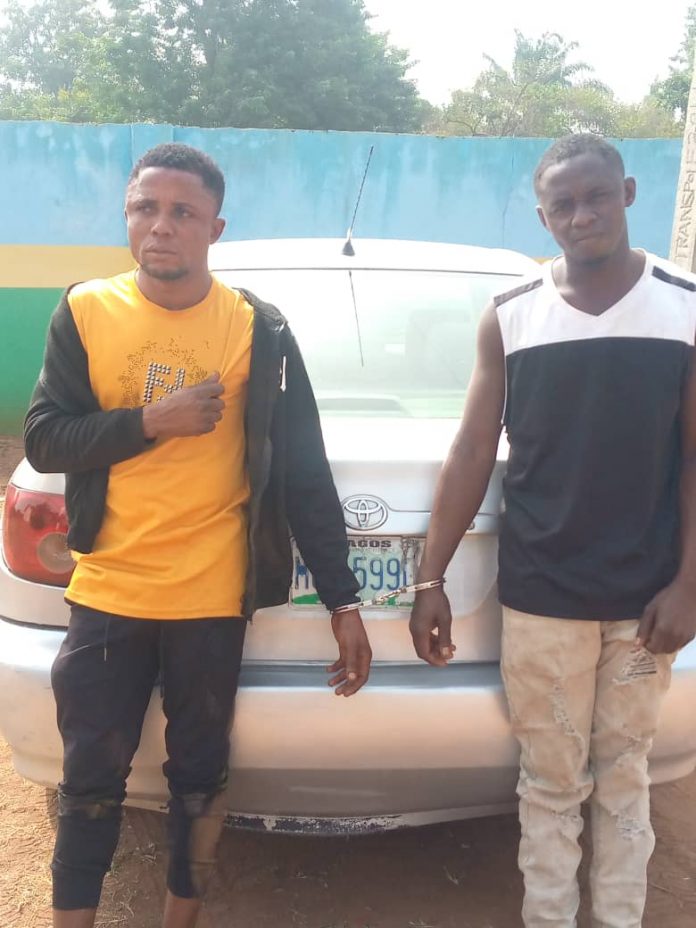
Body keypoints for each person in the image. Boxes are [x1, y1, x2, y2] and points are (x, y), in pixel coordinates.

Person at [24, 142, 372, 928]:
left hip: (210, 598)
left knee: (199, 776)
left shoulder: (257, 329)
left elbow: (304, 473)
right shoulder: (86, 310)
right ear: (127, 216)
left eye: (183, 212)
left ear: (215, 228)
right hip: (108, 590)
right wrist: (151, 421)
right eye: (145, 208)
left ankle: (179, 919)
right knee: (89, 779)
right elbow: (44, 439)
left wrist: (343, 602)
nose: (162, 226)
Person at [409, 134, 696, 927]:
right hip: (542, 596)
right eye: (563, 204)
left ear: (628, 193)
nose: (582, 215)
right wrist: (430, 578)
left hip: (646, 601)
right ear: (543, 218)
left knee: (625, 773)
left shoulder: (684, 307)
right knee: (549, 781)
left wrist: (689, 583)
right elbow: (472, 451)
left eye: (597, 196)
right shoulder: (511, 315)